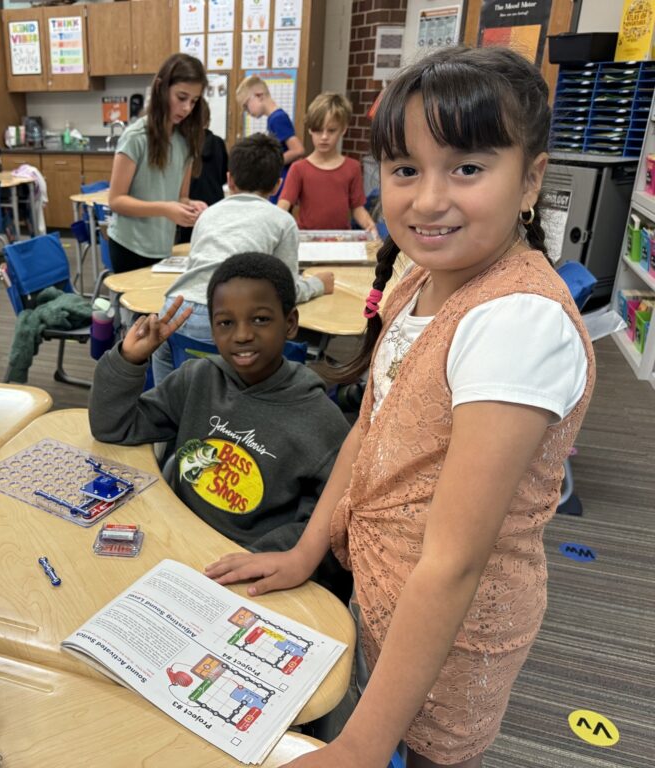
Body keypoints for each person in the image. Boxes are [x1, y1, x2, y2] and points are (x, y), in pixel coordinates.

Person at [206, 46, 595, 768]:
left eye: (468, 168)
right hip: (382, 586)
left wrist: (363, 744)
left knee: (432, 755)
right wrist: (305, 550)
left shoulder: (516, 321)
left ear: (531, 179)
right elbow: (373, 430)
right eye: (407, 169)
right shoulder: (424, 276)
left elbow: (453, 561)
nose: (428, 198)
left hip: (456, 625)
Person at [90, 253, 349, 556]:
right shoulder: (196, 379)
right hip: (175, 539)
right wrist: (129, 359)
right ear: (212, 330)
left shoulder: (321, 421)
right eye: (225, 323)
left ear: (290, 323)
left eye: (260, 319)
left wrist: (256, 556)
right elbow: (113, 427)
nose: (241, 335)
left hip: (247, 563)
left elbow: (332, 524)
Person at [151, 133, 334, 384]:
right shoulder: (282, 221)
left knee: (163, 353)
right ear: (276, 185)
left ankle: (167, 412)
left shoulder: (208, 214)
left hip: (178, 309)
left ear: (230, 180)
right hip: (229, 318)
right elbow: (287, 291)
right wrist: (318, 285)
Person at [107, 53, 209, 272]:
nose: (187, 108)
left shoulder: (186, 140)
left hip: (163, 246)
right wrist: (165, 209)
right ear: (161, 89)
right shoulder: (136, 137)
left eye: (194, 101)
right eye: (181, 98)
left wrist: (190, 205)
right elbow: (116, 200)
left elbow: (179, 196)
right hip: (129, 246)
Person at [277, 92, 376, 234]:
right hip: (307, 241)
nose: (324, 137)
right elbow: (283, 205)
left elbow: (357, 208)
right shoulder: (299, 169)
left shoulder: (352, 168)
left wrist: (370, 225)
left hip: (340, 241)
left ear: (343, 129)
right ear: (310, 129)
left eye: (331, 131)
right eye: (318, 130)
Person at [237, 75, 306, 203]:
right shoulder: (273, 118)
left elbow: (298, 150)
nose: (247, 111)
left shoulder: (277, 118)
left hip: (283, 181)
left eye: (246, 105)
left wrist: (271, 163)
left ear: (259, 95)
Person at [175, 123, 228, 245]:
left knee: (186, 243)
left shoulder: (184, 143)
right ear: (208, 121)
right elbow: (224, 174)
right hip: (214, 200)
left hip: (189, 202)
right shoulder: (218, 142)